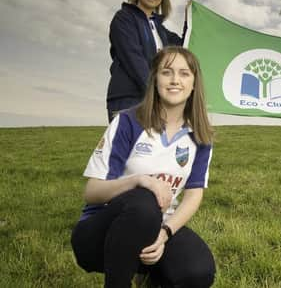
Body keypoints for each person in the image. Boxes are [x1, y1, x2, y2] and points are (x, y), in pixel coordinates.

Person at [72, 47, 216, 287]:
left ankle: (150, 277)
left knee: (198, 271)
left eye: (184, 74)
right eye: (166, 72)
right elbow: (92, 191)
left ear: (194, 84)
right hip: (100, 235)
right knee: (144, 200)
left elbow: (193, 195)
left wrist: (164, 234)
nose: (174, 80)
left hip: (156, 228)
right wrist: (140, 181)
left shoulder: (200, 136)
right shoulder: (128, 121)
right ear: (155, 80)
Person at [107, 0, 187, 122]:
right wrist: (156, 92)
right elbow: (133, 58)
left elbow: (185, 46)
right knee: (126, 145)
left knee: (155, 145)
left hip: (154, 99)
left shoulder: (160, 30)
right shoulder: (124, 18)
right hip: (129, 98)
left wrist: (189, 19)